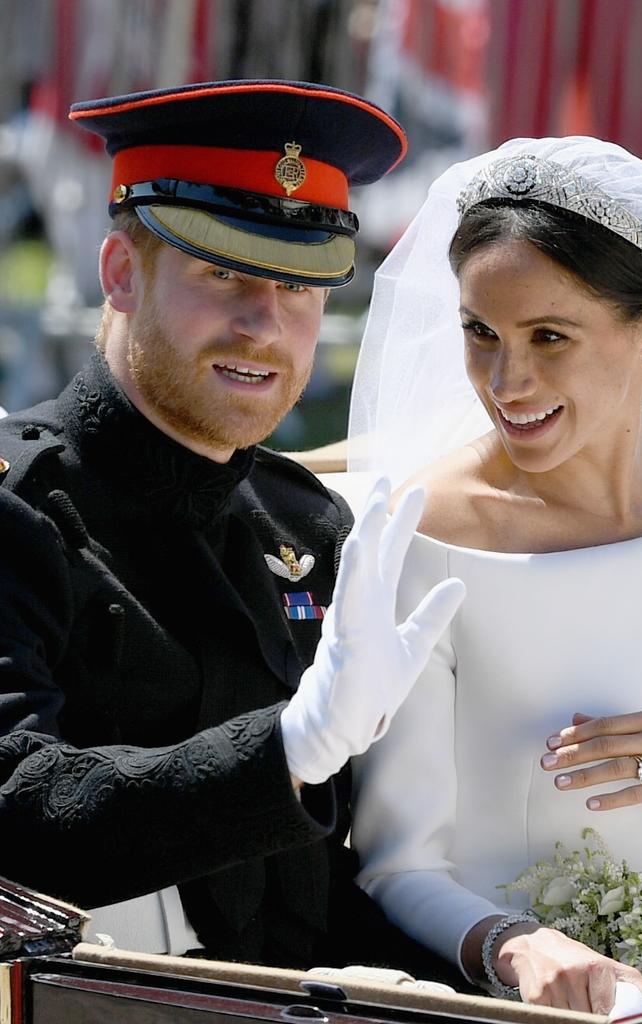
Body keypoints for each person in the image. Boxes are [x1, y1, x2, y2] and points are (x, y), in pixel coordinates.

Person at [0, 79, 465, 972]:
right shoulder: (18, 511)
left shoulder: (310, 529)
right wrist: (288, 751)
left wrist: (499, 957)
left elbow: (342, 888)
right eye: (223, 273)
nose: (265, 325)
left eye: (300, 287)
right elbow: (14, 809)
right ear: (121, 274)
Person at [349, 135, 642, 1014]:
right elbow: (399, 863)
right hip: (511, 1008)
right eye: (480, 333)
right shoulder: (423, 532)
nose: (508, 380)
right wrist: (519, 949)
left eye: (549, 336)